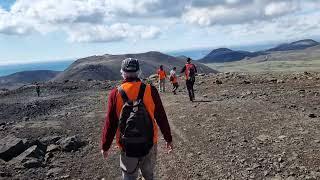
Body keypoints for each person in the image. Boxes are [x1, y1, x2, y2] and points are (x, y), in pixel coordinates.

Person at [101, 58, 173, 180]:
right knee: (149, 175)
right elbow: (161, 117)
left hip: (126, 145)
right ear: (139, 72)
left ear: (122, 73)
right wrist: (168, 138)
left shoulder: (115, 94)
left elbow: (111, 123)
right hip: (149, 142)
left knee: (129, 176)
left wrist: (105, 146)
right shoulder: (151, 90)